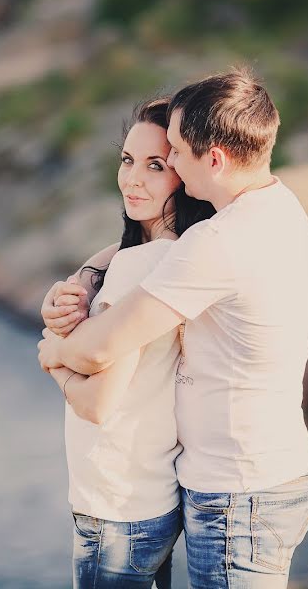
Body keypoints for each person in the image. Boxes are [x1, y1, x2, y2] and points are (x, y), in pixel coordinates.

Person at [39, 67, 308, 588]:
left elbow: (99, 350)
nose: (168, 162)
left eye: (172, 152)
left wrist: (48, 346)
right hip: (267, 475)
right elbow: (149, 255)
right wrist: (82, 278)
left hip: (238, 495)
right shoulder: (277, 205)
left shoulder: (220, 242)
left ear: (212, 159)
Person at [44, 97, 215, 589]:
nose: (132, 179)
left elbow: (98, 403)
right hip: (152, 495)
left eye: (155, 166)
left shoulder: (137, 269)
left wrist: (53, 359)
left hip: (116, 508)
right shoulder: (175, 255)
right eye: (127, 160)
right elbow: (110, 262)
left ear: (185, 175)